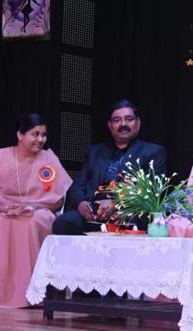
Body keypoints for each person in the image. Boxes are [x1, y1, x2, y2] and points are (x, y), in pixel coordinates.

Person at [0, 113, 72, 308]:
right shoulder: (0, 156)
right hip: (4, 210)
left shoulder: (49, 159)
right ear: (20, 135)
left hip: (39, 210)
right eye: (35, 134)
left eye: (43, 135)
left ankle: (31, 293)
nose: (40, 139)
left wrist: (36, 206)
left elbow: (58, 201)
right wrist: (3, 208)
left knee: (29, 222)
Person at [52, 99, 167, 234]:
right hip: (92, 213)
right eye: (117, 120)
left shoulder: (153, 152)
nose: (123, 124)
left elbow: (154, 193)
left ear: (138, 122)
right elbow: (78, 186)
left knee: (133, 221)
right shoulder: (95, 152)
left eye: (129, 119)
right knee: (64, 222)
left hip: (128, 213)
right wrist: (81, 205)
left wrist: (117, 207)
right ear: (109, 125)